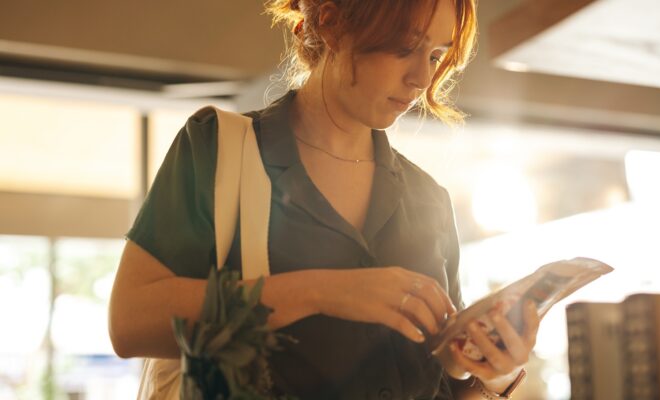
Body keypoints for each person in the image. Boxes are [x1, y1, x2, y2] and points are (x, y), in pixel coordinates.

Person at [108, 0, 540, 398]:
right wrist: (324, 290)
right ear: (332, 24)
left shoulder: (429, 200)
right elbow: (131, 322)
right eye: (405, 46)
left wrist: (479, 364)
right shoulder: (218, 150)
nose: (422, 79)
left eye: (434, 55)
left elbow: (440, 381)